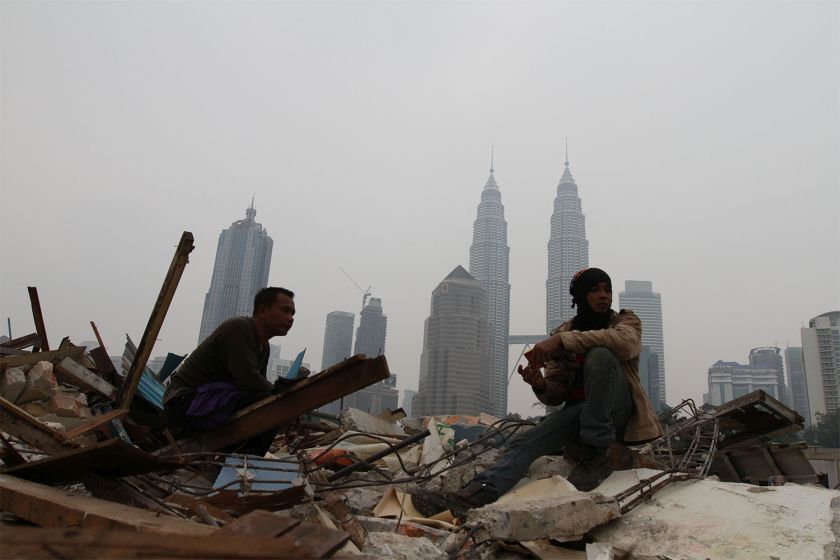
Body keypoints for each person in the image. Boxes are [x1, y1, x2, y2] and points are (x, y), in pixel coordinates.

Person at [411, 267, 663, 516]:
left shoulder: (624, 322)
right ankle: (471, 497)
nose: (603, 296)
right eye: (595, 290)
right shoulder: (563, 333)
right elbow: (557, 394)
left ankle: (597, 454)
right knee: (525, 442)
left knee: (600, 355)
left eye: (607, 290)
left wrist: (564, 341)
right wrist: (539, 384)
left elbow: (626, 344)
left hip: (617, 411)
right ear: (580, 296)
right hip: (580, 414)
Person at [163, 286, 298, 455]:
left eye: (292, 313)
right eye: (285, 311)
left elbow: (257, 385)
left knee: (271, 403)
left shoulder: (264, 347)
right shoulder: (239, 328)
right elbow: (249, 381)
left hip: (213, 402)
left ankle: (241, 461)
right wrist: (285, 397)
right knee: (272, 406)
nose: (291, 319)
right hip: (185, 405)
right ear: (262, 311)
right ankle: (243, 462)